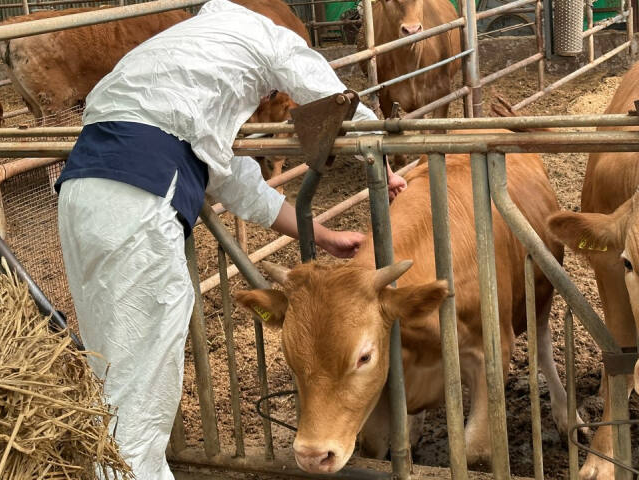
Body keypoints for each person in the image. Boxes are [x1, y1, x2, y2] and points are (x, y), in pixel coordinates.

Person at [55, 0, 406, 478]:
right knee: (142, 386)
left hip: (83, 192)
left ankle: (117, 467)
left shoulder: (182, 54)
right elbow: (325, 90)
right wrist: (378, 155)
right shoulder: (260, 32)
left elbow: (234, 180)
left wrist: (321, 235)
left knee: (112, 365)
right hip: (139, 198)